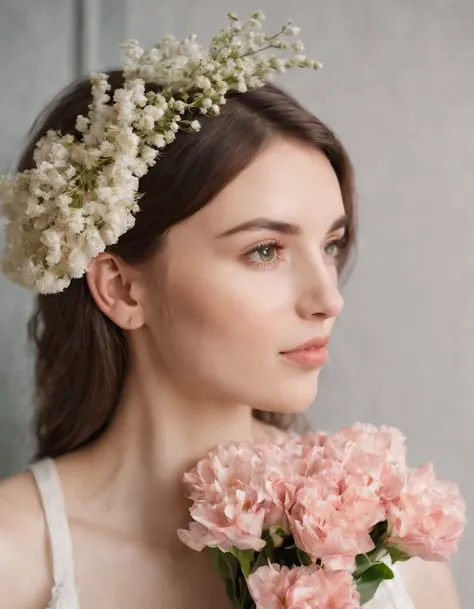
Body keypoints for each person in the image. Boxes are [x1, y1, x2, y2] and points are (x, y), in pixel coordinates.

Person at [0, 12, 460, 609]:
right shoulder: (14, 560)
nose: (328, 298)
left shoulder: (396, 554)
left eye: (329, 245)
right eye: (265, 250)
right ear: (121, 289)